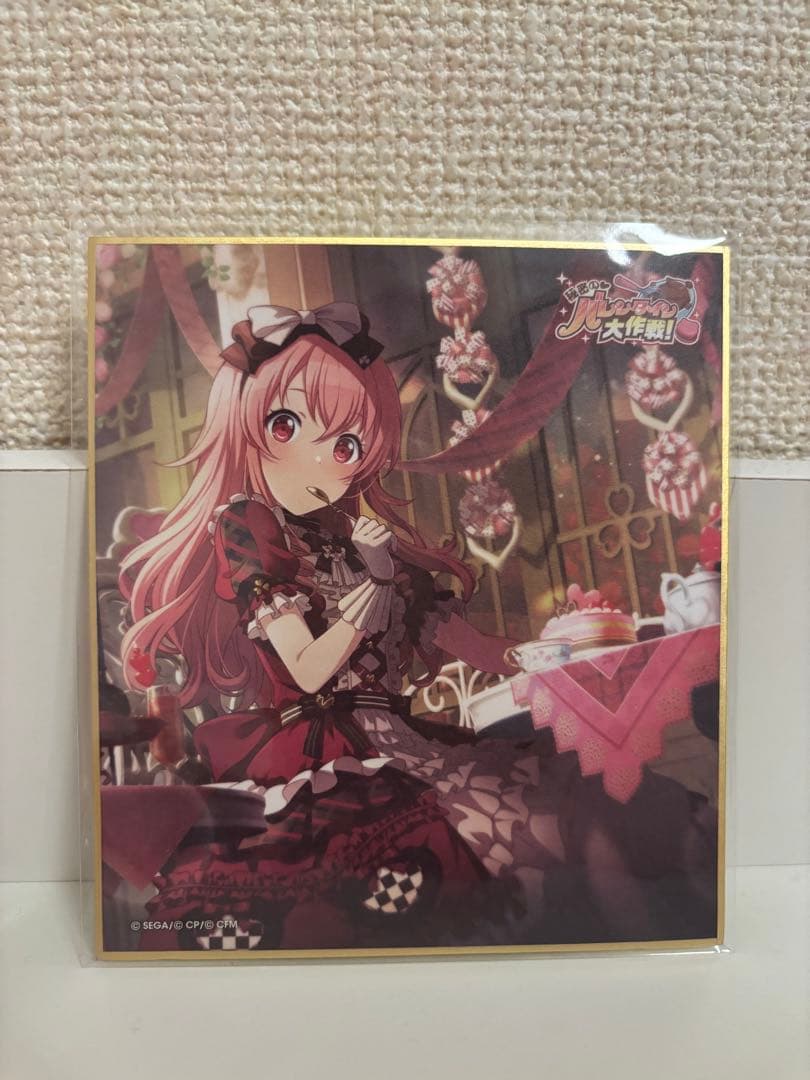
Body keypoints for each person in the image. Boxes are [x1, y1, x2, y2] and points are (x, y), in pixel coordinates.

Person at [119, 303, 520, 950]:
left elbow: (470, 646)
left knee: (531, 817)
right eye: (286, 425)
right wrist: (375, 582)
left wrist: (565, 649)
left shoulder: (355, 534)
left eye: (346, 446)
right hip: (319, 753)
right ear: (244, 425)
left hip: (401, 740)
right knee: (407, 877)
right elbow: (307, 669)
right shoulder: (249, 524)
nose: (321, 463)